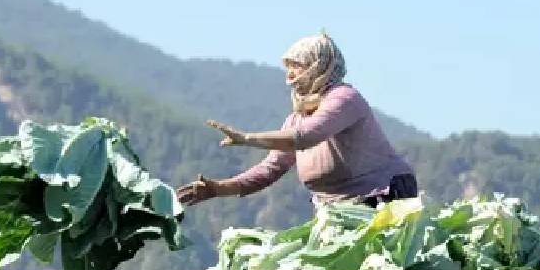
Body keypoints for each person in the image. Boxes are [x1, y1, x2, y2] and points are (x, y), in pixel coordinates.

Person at [176, 32, 419, 208]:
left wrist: (247, 138)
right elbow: (270, 169)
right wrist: (218, 189)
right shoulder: (297, 118)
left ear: (319, 66)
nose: (290, 75)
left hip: (381, 196)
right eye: (288, 67)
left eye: (298, 66)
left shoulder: (344, 98)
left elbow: (307, 136)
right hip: (334, 208)